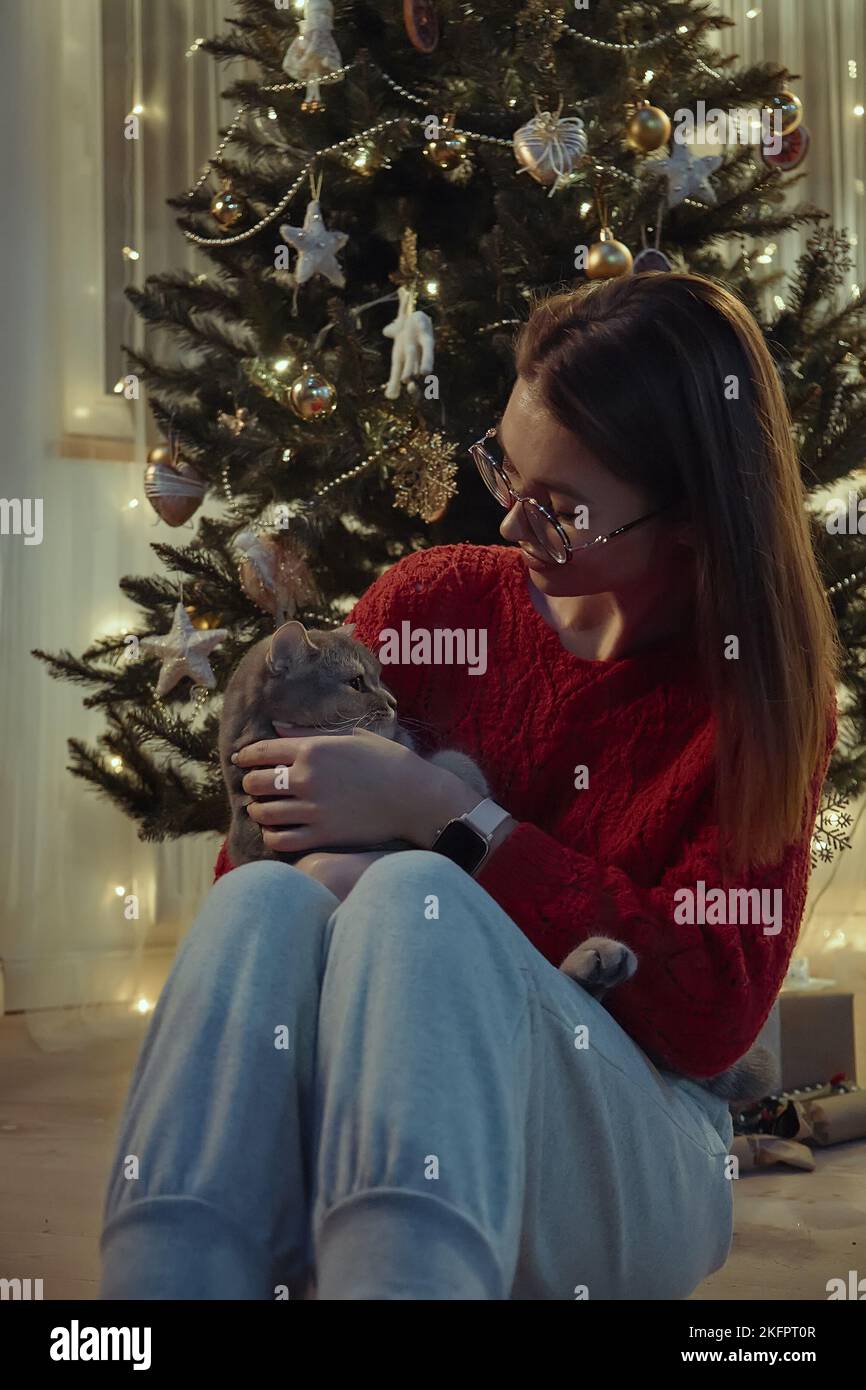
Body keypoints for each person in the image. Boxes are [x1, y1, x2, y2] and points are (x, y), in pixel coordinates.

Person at [100, 272, 837, 1301]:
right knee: (261, 896)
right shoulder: (428, 600)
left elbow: (710, 1017)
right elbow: (264, 908)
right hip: (368, 1115)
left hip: (635, 1146)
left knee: (420, 896)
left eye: (562, 511)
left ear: (688, 524)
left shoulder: (750, 697)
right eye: (504, 470)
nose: (509, 529)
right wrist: (307, 834)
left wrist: (450, 820)